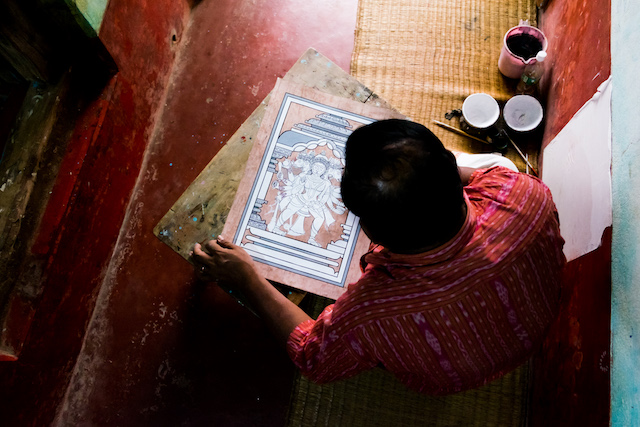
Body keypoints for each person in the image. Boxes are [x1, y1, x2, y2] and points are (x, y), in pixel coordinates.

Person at [191, 119, 565, 394]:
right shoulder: (521, 190)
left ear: (373, 235)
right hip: (533, 328)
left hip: (456, 378)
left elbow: (312, 357)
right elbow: (480, 174)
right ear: (453, 169)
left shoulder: (373, 311)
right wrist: (428, 173)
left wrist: (247, 279)